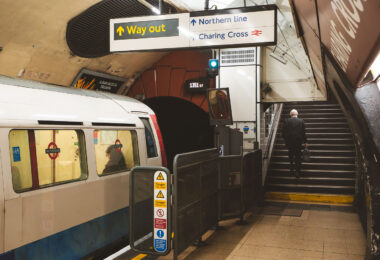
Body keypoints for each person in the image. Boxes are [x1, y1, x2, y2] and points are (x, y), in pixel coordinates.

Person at [282, 109, 308, 178]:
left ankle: (291, 167)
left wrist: (286, 139)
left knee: (290, 154)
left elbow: (283, 132)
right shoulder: (301, 121)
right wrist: (305, 142)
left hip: (289, 142)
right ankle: (297, 171)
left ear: (290, 115)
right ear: (297, 114)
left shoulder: (286, 121)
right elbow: (303, 133)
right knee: (298, 156)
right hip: (298, 142)